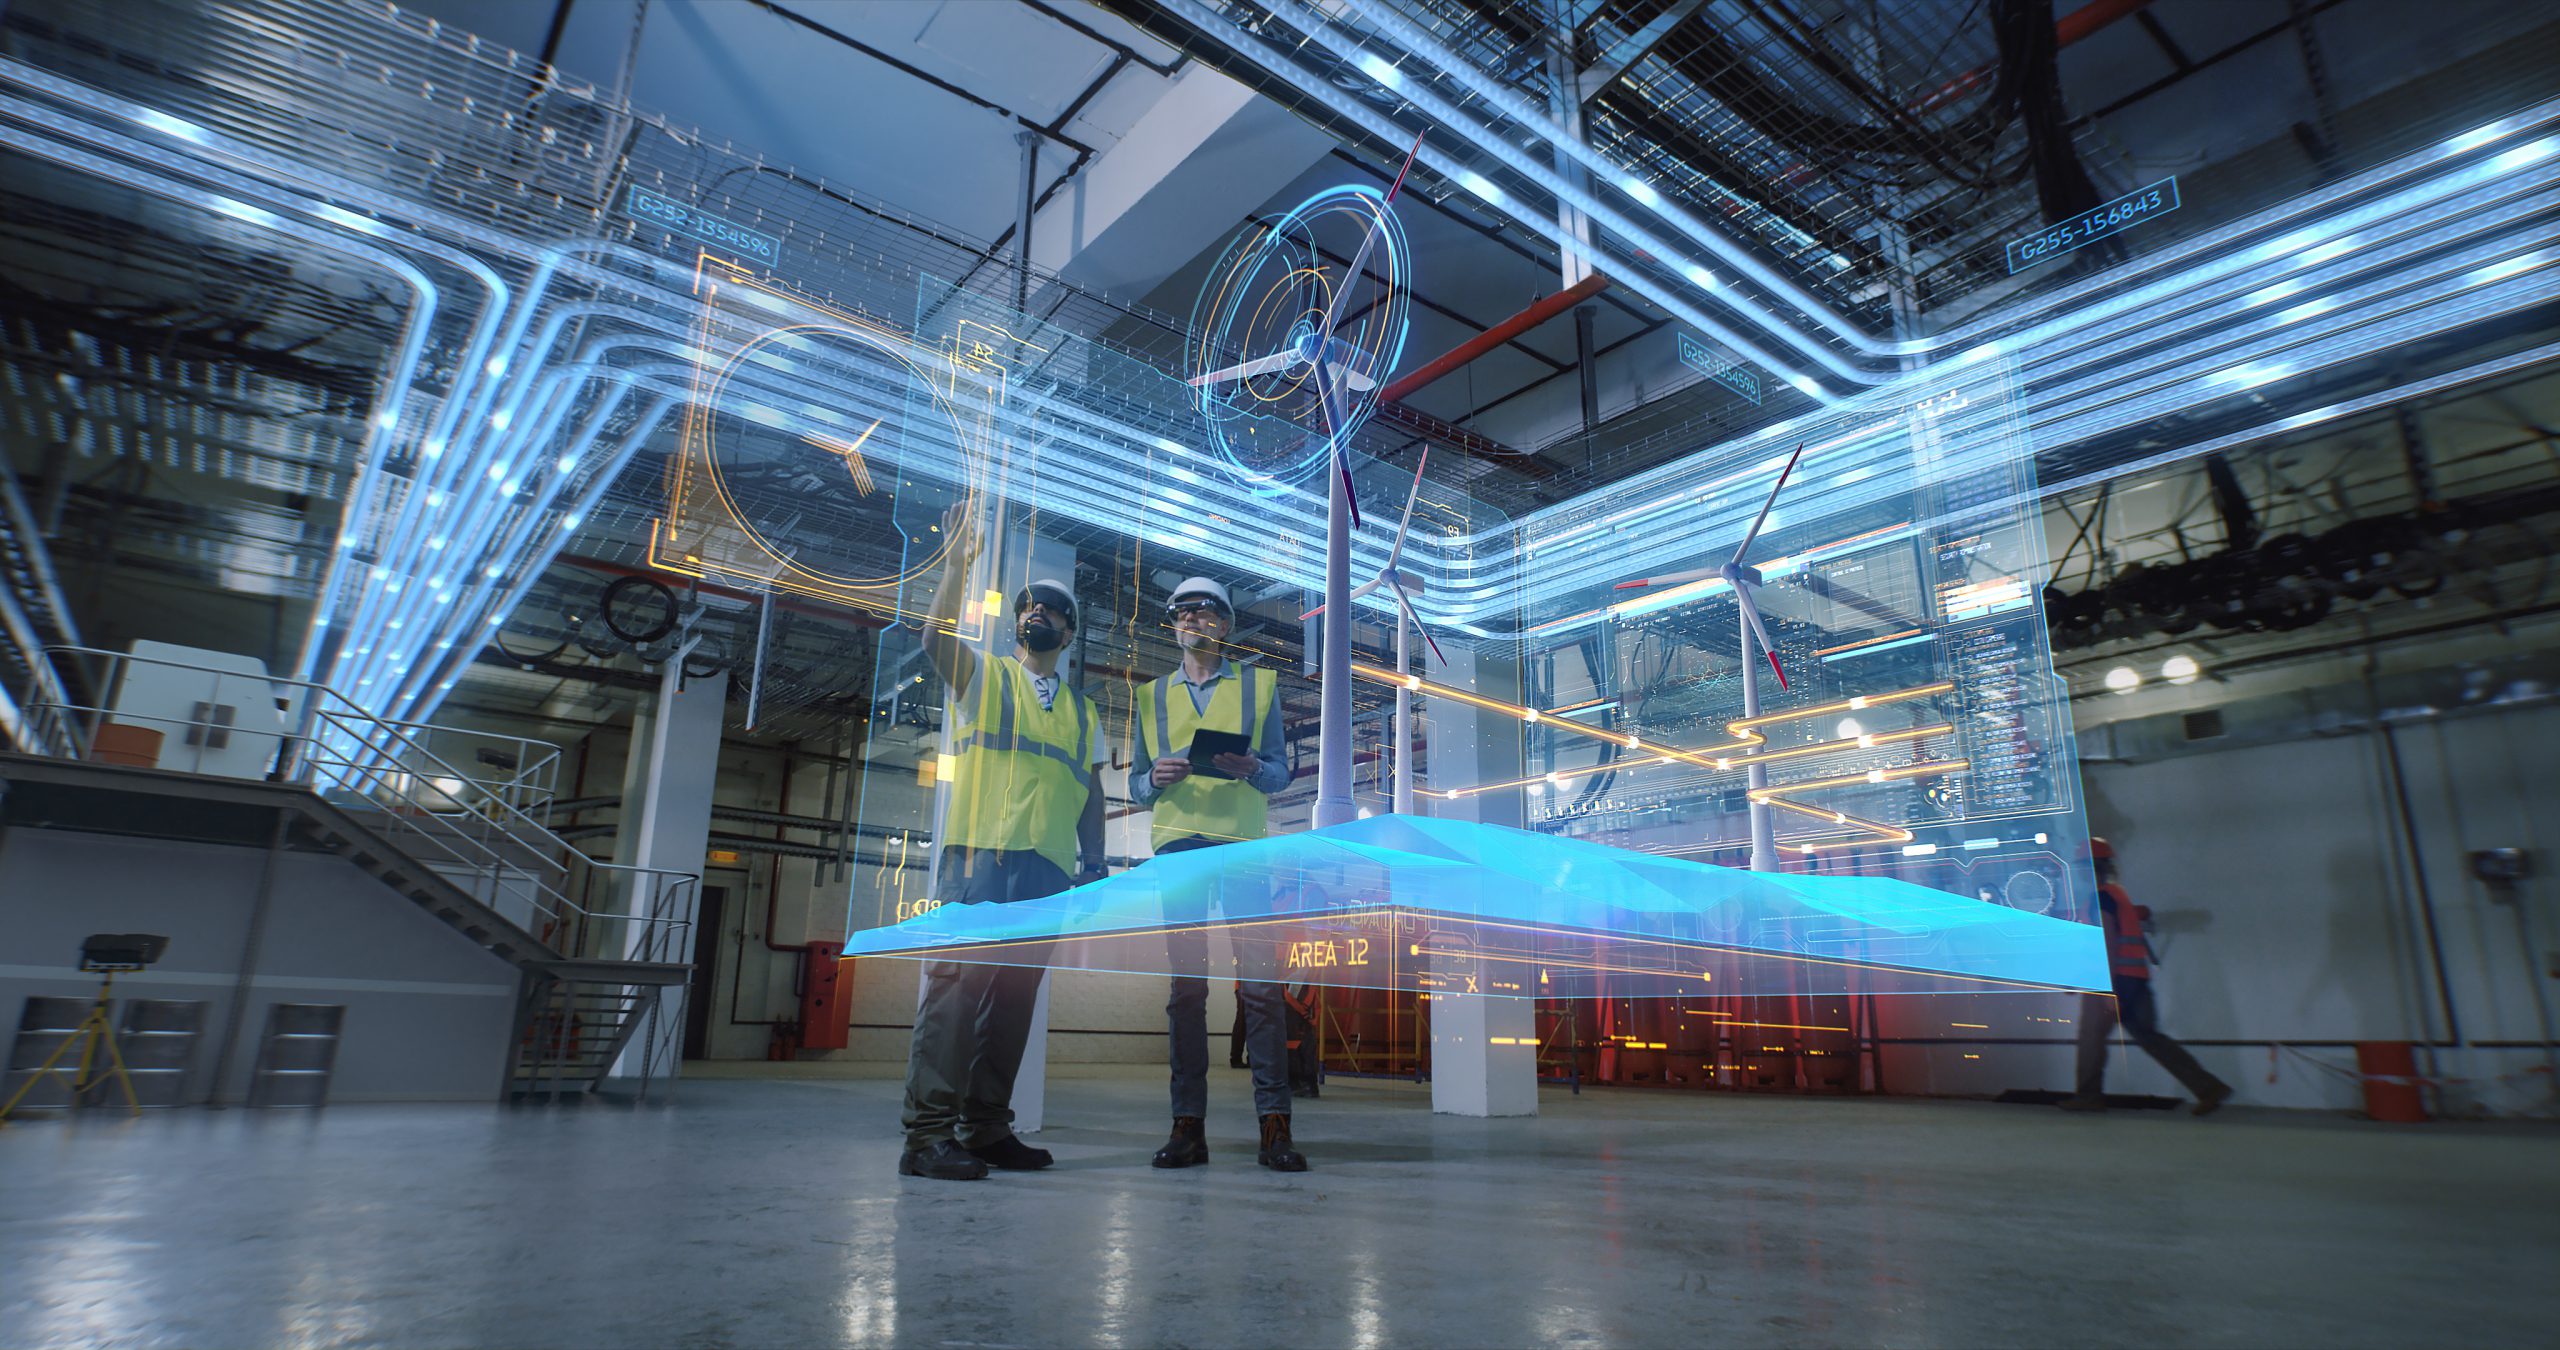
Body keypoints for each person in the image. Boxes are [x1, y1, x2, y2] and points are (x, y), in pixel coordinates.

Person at [897, 502, 1106, 1181]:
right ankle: (926, 1136)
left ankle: (985, 1126)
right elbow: (932, 637)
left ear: (1068, 631)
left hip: (1046, 872)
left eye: (1048, 607)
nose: (1034, 612)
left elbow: (1091, 792)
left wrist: (1095, 864)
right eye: (1026, 606)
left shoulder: (1084, 712)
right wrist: (957, 559)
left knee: (1014, 1004)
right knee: (956, 996)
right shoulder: (987, 677)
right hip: (981, 858)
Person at [1128, 576, 1308, 1171]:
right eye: (1183, 614)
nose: (1194, 623)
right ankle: (1187, 1127)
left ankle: (1274, 1127)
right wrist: (1151, 780)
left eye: (1206, 615)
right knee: (1186, 992)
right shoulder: (1151, 696)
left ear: (1225, 626)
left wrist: (1254, 766)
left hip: (1244, 849)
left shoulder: (1259, 687)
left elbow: (1281, 773)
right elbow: (1134, 780)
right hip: (1179, 849)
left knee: (1260, 991)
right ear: (1173, 625)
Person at [2061, 838, 2233, 1116]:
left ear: (2090, 868)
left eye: (2081, 867)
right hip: (2136, 980)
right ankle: (2208, 1088)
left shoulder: (2101, 898)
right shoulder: (2120, 896)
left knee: (2090, 1039)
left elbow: (2106, 943)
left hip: (2112, 981)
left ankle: (2088, 1096)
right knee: (2151, 1037)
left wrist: (2100, 986)